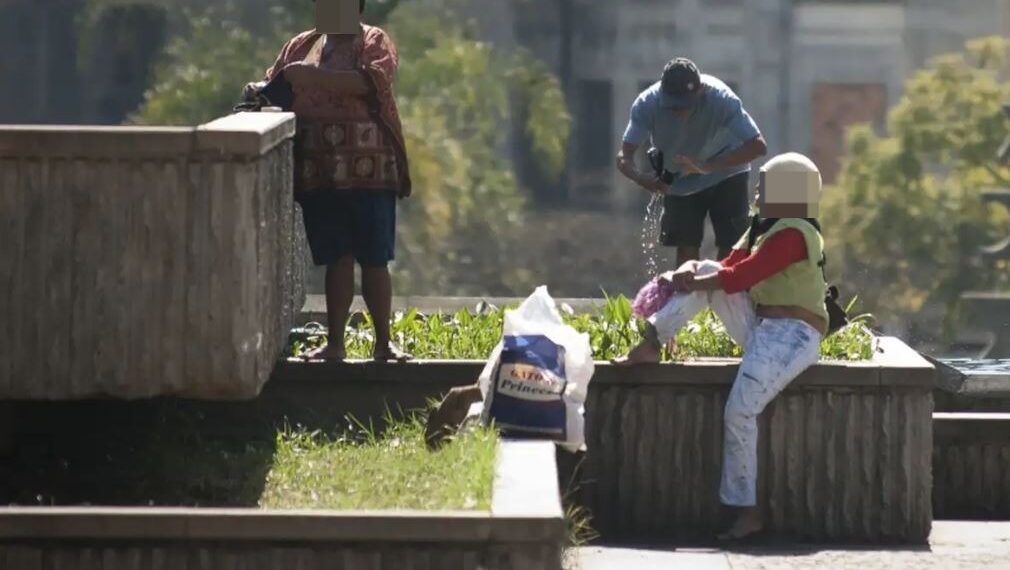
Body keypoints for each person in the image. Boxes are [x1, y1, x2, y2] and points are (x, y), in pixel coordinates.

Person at [615, 152, 829, 541]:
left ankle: (748, 512)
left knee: (740, 412)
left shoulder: (796, 233)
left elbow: (746, 274)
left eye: (765, 186)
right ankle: (653, 341)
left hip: (792, 335)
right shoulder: (763, 228)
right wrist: (688, 271)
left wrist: (692, 282)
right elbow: (728, 265)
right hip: (762, 326)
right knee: (707, 268)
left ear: (789, 190)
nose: (758, 192)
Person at [255, 0, 412, 361]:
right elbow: (274, 84)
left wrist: (312, 77)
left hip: (369, 168)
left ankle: (384, 344)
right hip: (322, 171)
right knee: (336, 257)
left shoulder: (373, 40)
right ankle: (336, 345)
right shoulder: (301, 46)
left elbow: (372, 81)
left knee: (374, 258)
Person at [616, 57, 768, 268]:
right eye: (672, 106)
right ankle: (687, 289)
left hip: (727, 171)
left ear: (701, 91)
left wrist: (707, 166)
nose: (679, 112)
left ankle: (721, 288)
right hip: (680, 179)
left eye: (685, 105)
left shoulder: (722, 100)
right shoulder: (647, 104)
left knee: (732, 245)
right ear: (662, 94)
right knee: (685, 245)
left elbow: (758, 146)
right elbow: (624, 157)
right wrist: (643, 179)